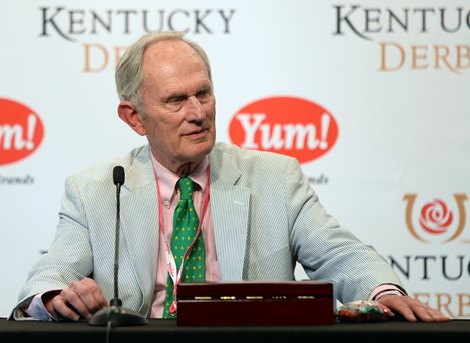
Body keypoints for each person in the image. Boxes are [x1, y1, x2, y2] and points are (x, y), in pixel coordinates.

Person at [11, 31, 449, 323]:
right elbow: (48, 276)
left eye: (203, 93)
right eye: (176, 100)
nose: (198, 113)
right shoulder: (97, 190)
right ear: (134, 117)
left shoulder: (274, 177)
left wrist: (383, 290)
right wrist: (54, 299)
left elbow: (343, 254)